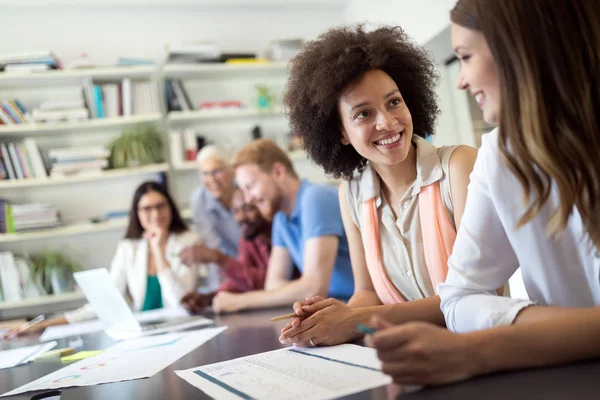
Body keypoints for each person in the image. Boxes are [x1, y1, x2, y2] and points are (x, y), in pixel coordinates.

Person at [366, 0, 600, 386]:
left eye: (466, 56)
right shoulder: (500, 155)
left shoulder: (466, 161)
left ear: (518, 51)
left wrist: (485, 348)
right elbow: (458, 298)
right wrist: (560, 332)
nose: (459, 80)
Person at [278, 25, 478, 348]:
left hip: (479, 356)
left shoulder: (458, 167)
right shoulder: (352, 194)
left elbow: (478, 294)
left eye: (394, 102)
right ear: (340, 132)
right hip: (407, 360)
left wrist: (354, 320)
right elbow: (368, 293)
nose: (386, 122)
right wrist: (328, 317)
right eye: (363, 114)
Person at [3, 181, 200, 338]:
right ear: (137, 214)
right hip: (146, 333)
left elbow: (179, 300)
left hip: (181, 330)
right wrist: (44, 325)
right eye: (147, 209)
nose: (155, 214)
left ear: (171, 208)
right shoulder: (128, 247)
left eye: (161, 206)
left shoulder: (190, 241)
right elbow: (105, 301)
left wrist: (157, 250)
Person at [211, 139, 355, 314]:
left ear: (278, 171)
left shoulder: (316, 197)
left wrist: (239, 301)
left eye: (250, 186)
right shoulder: (280, 217)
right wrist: (301, 288)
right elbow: (273, 286)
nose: (248, 199)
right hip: (334, 312)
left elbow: (313, 288)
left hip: (362, 309)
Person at [179, 188, 273, 312]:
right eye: (235, 211)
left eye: (248, 208)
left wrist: (218, 258)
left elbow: (268, 284)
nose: (240, 217)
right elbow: (243, 281)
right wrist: (210, 297)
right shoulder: (248, 238)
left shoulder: (279, 233)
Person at [189, 145, 241, 291]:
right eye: (205, 174)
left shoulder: (244, 189)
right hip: (224, 273)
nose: (211, 179)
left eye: (216, 171)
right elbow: (213, 247)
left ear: (231, 171)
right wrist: (220, 290)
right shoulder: (199, 199)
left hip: (255, 269)